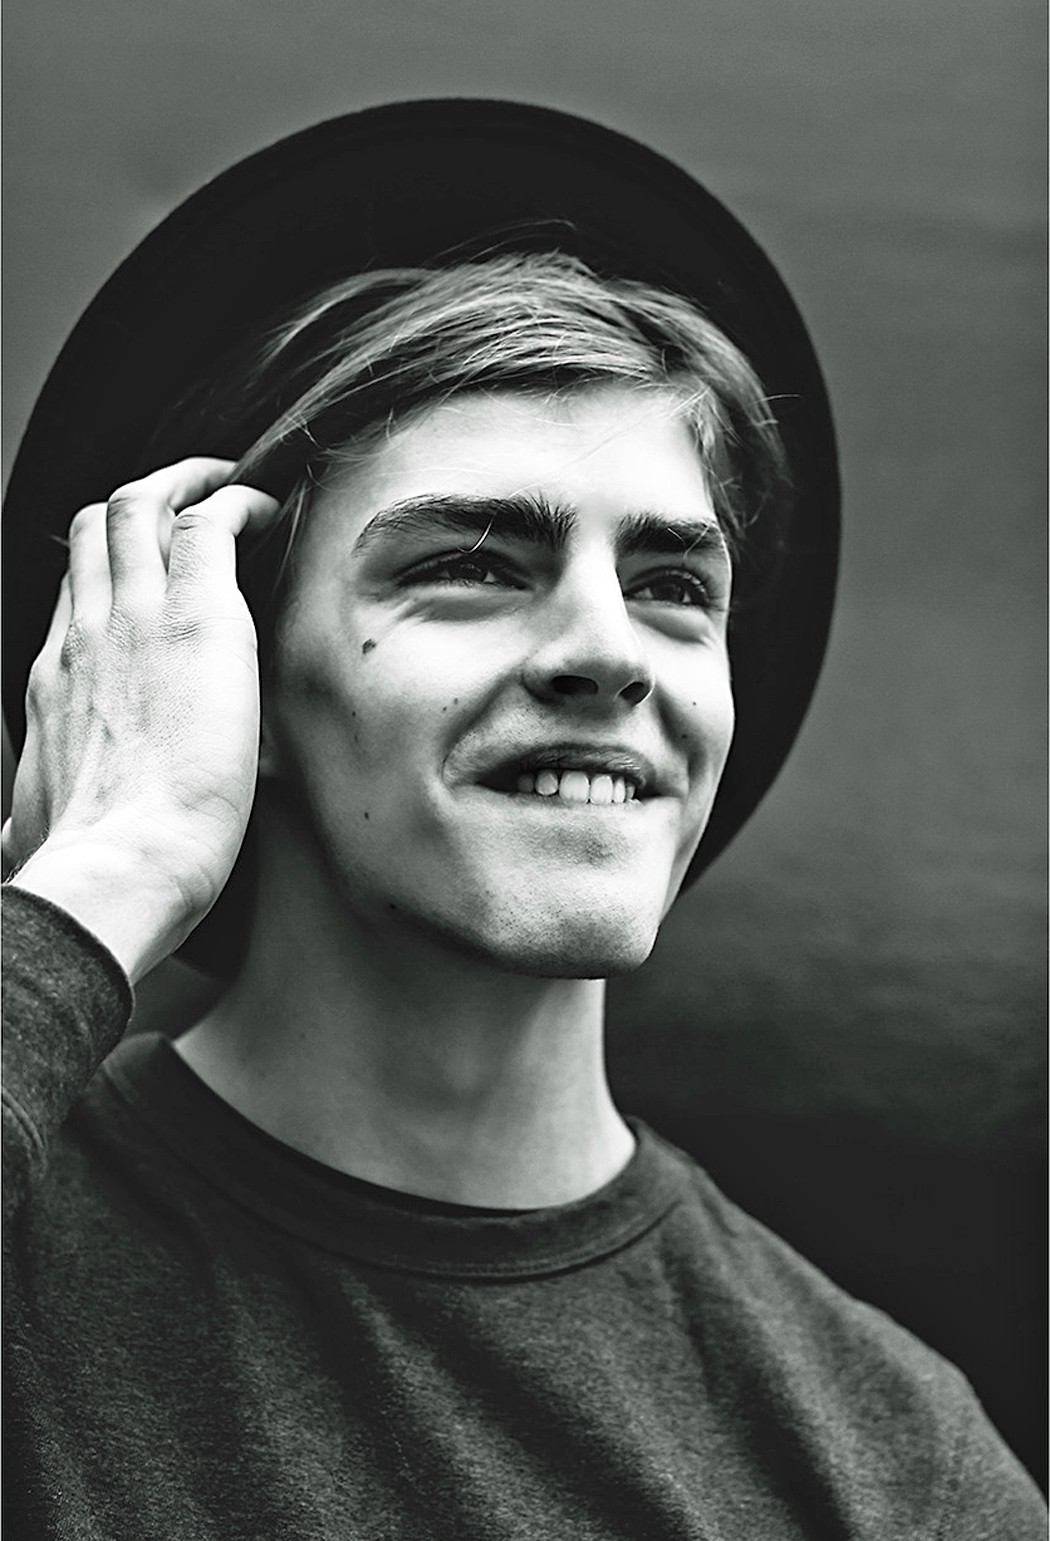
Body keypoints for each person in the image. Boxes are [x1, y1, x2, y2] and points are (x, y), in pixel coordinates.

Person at [3, 102, 1044, 1538]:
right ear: (238, 674)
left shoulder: (896, 1470)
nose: (610, 651)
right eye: (479, 564)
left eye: (673, 588)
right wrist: (108, 875)